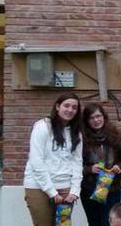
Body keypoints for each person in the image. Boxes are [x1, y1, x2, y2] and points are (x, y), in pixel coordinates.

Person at [23, 93, 83, 226]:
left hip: (65, 187)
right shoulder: (43, 126)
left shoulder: (76, 133)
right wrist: (52, 192)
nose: (70, 110)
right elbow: (36, 160)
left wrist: (74, 190)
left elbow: (77, 163)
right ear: (57, 106)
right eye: (66, 106)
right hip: (39, 187)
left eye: (74, 107)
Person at [81, 103, 121, 226]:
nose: (96, 120)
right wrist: (89, 169)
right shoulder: (81, 139)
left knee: (110, 223)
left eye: (98, 116)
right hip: (89, 189)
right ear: (86, 121)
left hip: (112, 189)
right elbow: (73, 165)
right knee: (94, 223)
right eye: (91, 118)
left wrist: (120, 167)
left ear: (104, 116)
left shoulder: (116, 136)